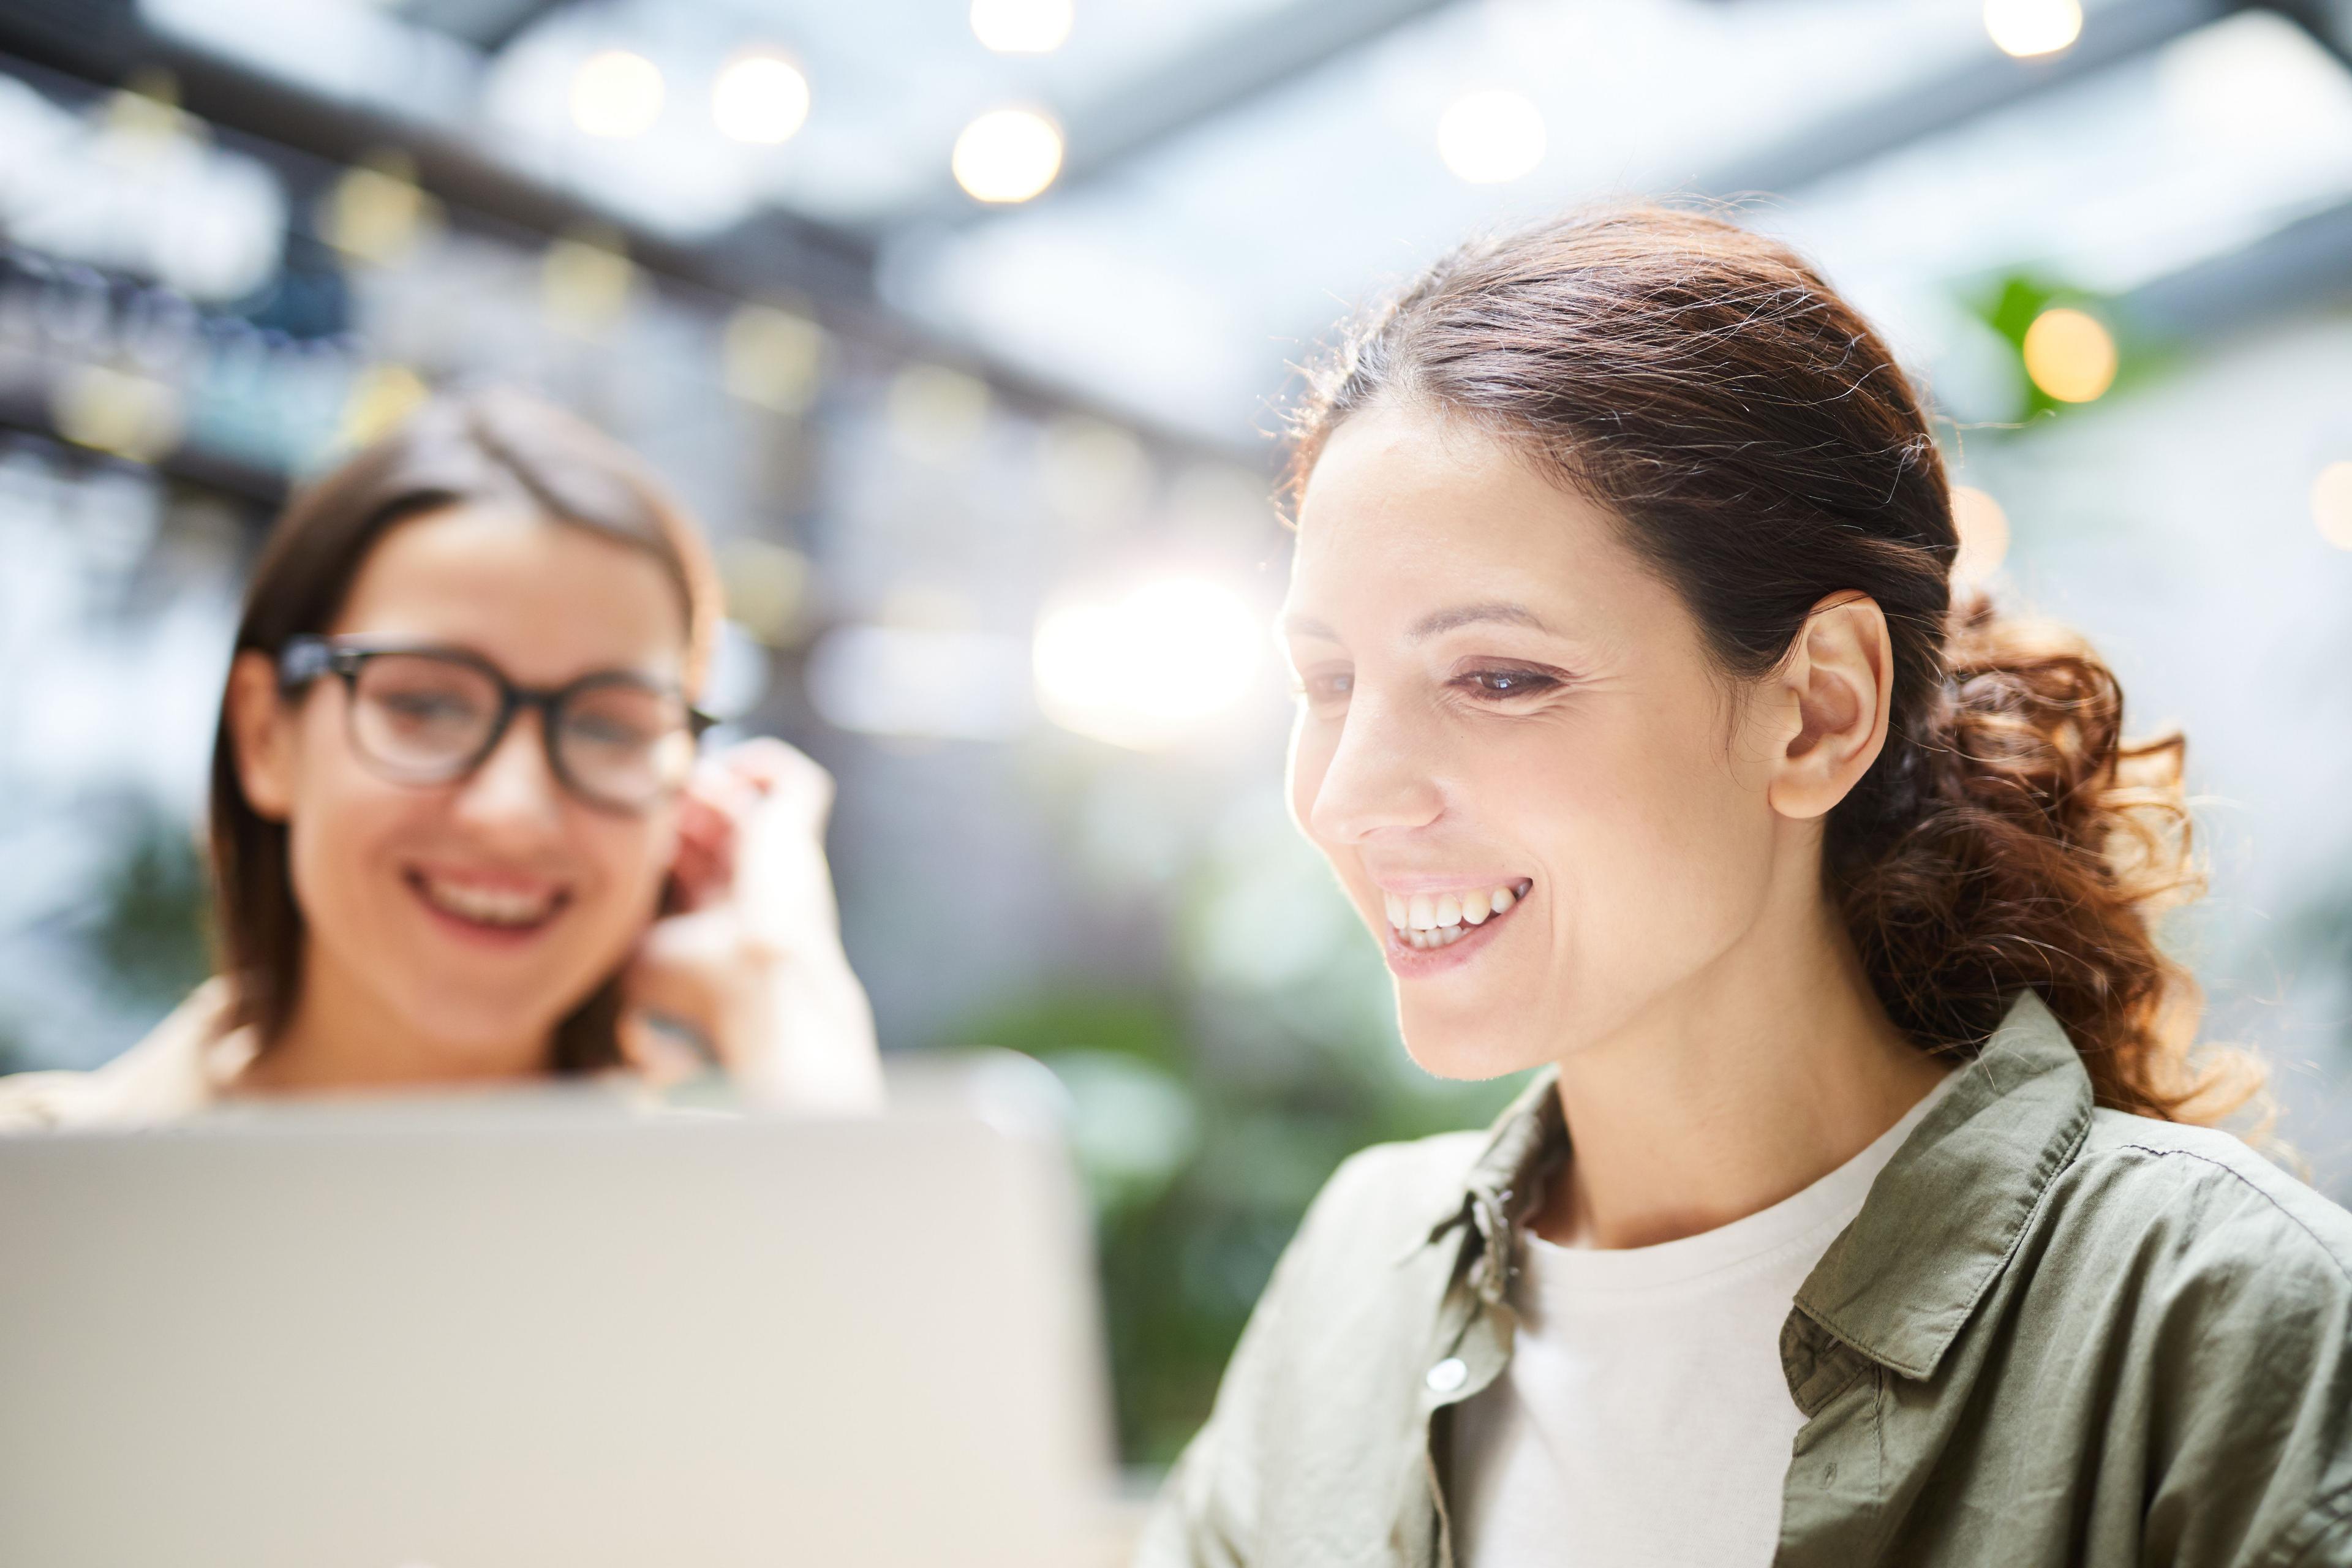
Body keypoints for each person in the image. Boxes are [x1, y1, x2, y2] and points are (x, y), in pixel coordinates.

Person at [1139, 208, 2352, 1567]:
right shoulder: (1363, 1271)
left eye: (1498, 676)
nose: (1352, 795)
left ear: (1819, 711)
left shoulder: (2218, 1316)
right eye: (1329, 683)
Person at [0, 387, 880, 1128]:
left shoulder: (737, 1228)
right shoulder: (33, 1201)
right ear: (266, 736)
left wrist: (779, 987)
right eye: (425, 706)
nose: (514, 811)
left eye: (609, 727)